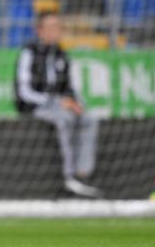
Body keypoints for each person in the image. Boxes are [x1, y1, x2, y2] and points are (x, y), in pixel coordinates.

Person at [14, 12, 102, 198]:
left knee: (88, 118)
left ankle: (83, 173)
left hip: (60, 105)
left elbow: (69, 87)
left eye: (58, 28)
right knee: (64, 119)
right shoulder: (29, 53)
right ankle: (68, 176)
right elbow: (24, 92)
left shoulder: (61, 54)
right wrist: (55, 101)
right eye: (51, 27)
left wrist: (76, 103)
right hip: (36, 106)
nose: (56, 32)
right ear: (39, 30)